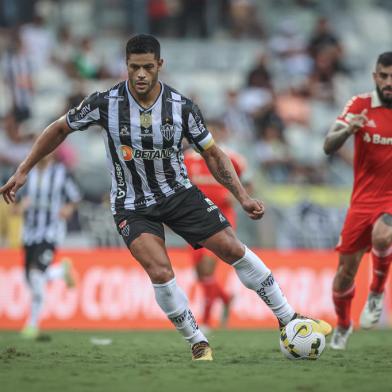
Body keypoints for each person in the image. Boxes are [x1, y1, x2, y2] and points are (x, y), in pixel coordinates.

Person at [0, 34, 331, 360]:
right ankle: (197, 340)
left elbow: (214, 155)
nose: (140, 74)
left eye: (147, 67)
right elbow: (59, 128)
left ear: (159, 65)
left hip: (179, 194)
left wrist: (242, 196)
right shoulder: (105, 103)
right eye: (133, 67)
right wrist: (25, 169)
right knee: (160, 271)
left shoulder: (182, 108)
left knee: (233, 249)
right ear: (126, 67)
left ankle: (289, 318)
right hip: (131, 204)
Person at [324, 52, 392, 350]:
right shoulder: (360, 105)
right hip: (362, 201)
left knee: (383, 233)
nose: (389, 82)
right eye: (384, 76)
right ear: (375, 76)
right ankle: (342, 323)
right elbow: (328, 145)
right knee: (343, 276)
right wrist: (348, 130)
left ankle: (376, 293)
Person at [184, 119, 247, 330]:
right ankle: (226, 298)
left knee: (208, 270)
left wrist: (238, 197)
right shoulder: (187, 160)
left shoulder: (230, 158)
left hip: (221, 218)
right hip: (194, 220)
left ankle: (205, 321)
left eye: (213, 131)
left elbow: (248, 181)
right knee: (201, 274)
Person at [17, 153, 81, 338]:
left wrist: (67, 209)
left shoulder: (61, 173)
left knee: (36, 276)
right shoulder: (26, 173)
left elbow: (75, 198)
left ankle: (32, 325)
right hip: (29, 234)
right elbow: (14, 202)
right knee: (30, 279)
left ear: (52, 151)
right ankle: (60, 272)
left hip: (50, 233)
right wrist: (20, 207)